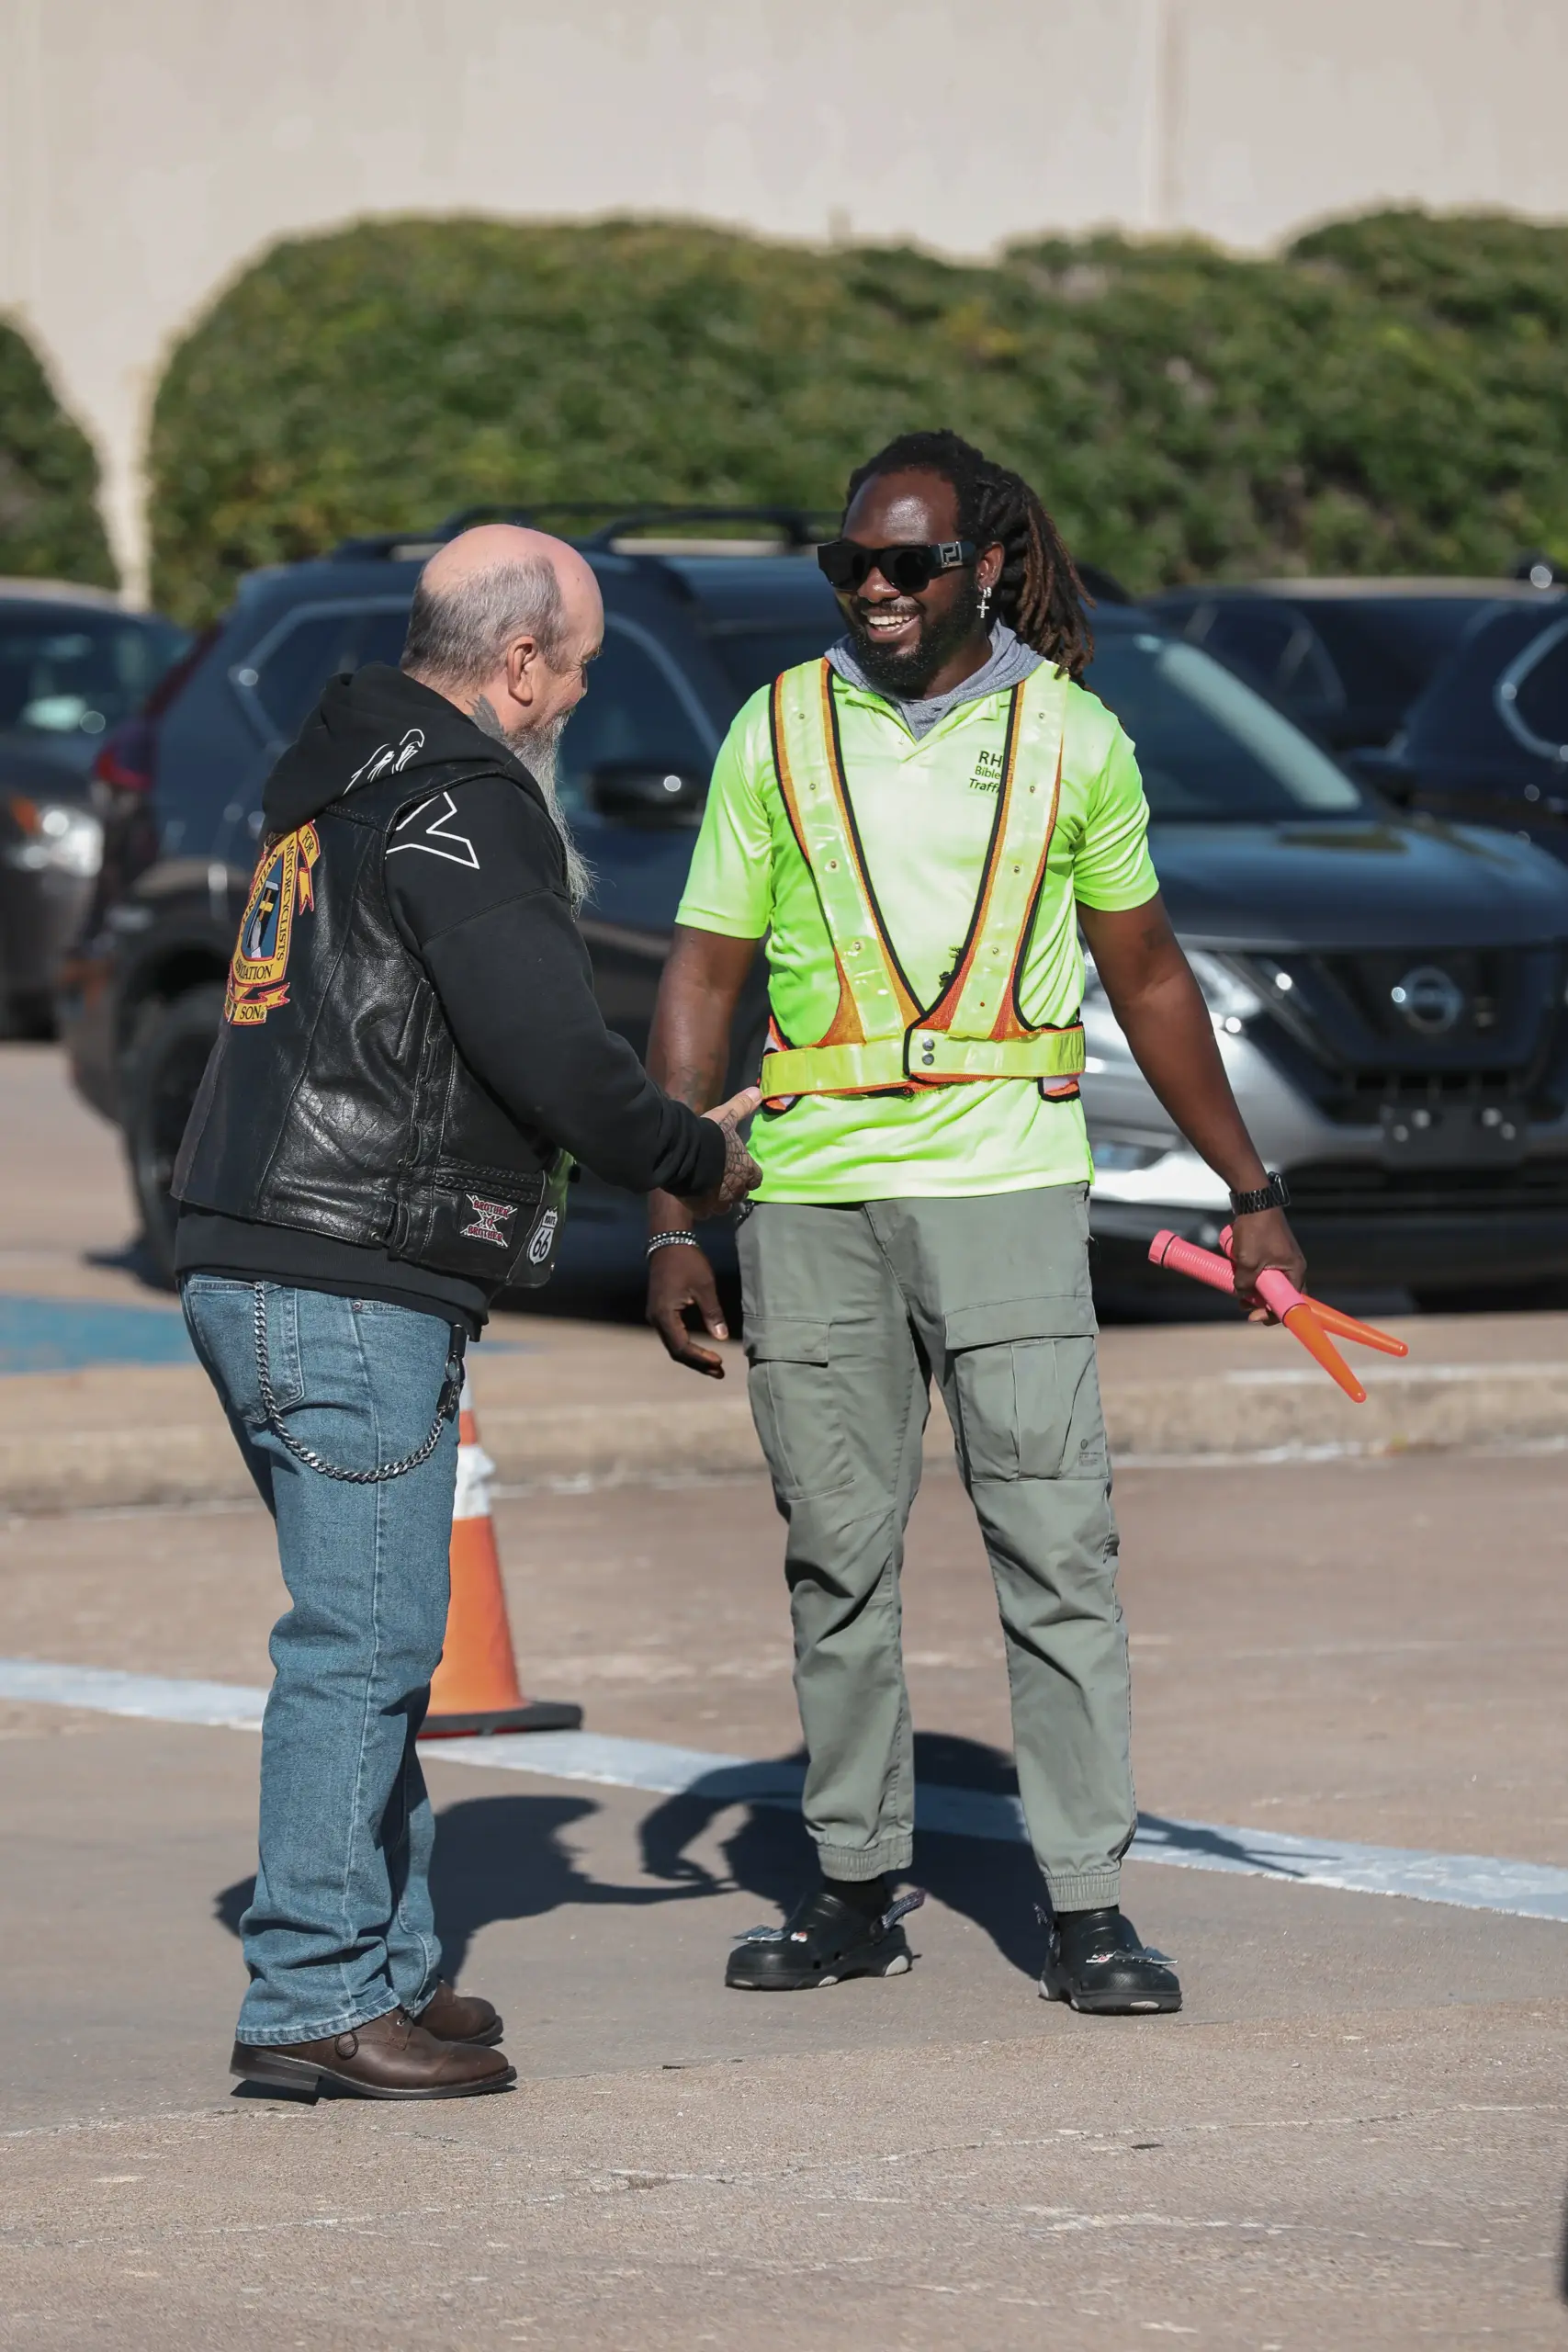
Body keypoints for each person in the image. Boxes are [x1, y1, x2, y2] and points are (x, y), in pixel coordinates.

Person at [645, 431, 1304, 2015]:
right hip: (809, 1200)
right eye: (850, 562)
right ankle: (853, 1888)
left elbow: (1145, 975)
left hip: (1007, 1188)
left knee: (1055, 1547)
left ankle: (1083, 1903)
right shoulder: (775, 728)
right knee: (836, 1559)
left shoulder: (1074, 737)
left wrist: (1253, 1194)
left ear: (985, 564)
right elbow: (703, 978)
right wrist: (674, 1212)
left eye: (907, 563)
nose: (873, 588)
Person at [174, 525, 761, 2098]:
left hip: (260, 1251)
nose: (571, 697)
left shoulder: (342, 786)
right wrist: (697, 1154)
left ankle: (383, 1965)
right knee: (360, 1645)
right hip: (341, 1264)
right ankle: (310, 2001)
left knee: (380, 1640)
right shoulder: (470, 802)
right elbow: (549, 1050)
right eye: (573, 670)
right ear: (516, 665)